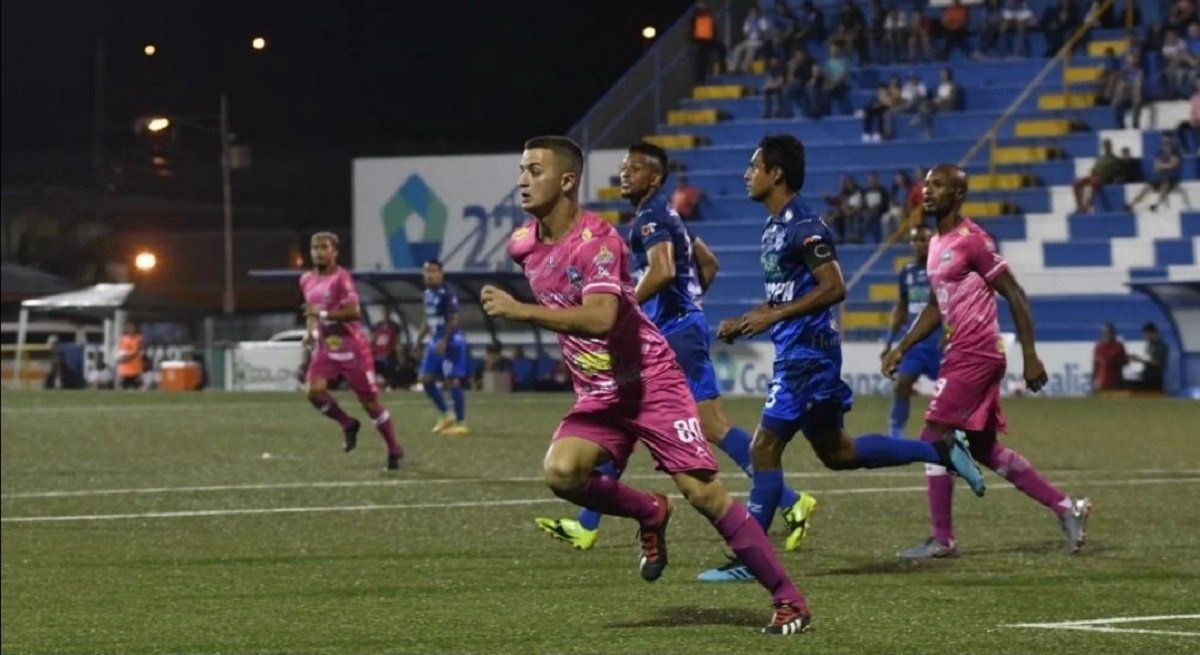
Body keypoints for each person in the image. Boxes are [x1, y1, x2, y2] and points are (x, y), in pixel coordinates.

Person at [482, 135, 812, 635]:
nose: (522, 180)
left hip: (650, 381)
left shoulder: (600, 242)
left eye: (534, 170)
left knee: (704, 494)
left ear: (567, 181)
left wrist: (520, 311)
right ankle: (650, 512)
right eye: (521, 170)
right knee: (562, 473)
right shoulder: (522, 243)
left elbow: (600, 318)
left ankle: (790, 600)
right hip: (600, 393)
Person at [705, 136, 987, 580]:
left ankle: (751, 559)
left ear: (776, 174)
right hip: (798, 350)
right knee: (838, 452)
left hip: (807, 356)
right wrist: (747, 321)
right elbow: (786, 295)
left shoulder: (805, 226)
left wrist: (773, 316)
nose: (747, 174)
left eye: (754, 166)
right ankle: (940, 449)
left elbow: (835, 287)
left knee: (763, 448)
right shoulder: (774, 227)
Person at [536, 142, 817, 558]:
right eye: (624, 167)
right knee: (636, 418)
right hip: (677, 329)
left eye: (635, 168)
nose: (625, 173)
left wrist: (625, 304)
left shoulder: (652, 217)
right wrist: (690, 303)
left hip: (673, 335)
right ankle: (587, 523)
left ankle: (790, 500)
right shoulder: (665, 214)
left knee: (701, 425)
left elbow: (664, 268)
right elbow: (708, 262)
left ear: (655, 178)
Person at [883, 165, 1092, 559]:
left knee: (933, 436)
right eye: (927, 185)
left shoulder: (974, 241)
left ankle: (943, 539)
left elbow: (1015, 293)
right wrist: (903, 346)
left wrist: (1030, 355)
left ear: (958, 195)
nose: (928, 191)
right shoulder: (935, 243)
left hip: (976, 351)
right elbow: (936, 306)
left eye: (938, 185)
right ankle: (1068, 507)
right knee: (982, 448)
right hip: (961, 350)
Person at [301, 232, 404, 471]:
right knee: (314, 392)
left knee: (369, 403)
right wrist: (311, 332)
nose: (318, 252)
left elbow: (354, 312)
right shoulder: (306, 279)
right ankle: (348, 424)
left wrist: (321, 314)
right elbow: (311, 310)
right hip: (327, 347)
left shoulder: (342, 278)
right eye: (315, 247)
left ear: (335, 252)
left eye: (324, 247)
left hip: (352, 348)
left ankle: (394, 449)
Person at [882, 225, 941, 439]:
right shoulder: (907, 272)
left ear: (933, 242)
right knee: (902, 384)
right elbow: (902, 307)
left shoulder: (942, 270)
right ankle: (896, 434)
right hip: (914, 344)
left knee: (951, 393)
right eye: (914, 240)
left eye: (923, 240)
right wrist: (889, 342)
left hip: (939, 342)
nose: (918, 245)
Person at [416, 259, 469, 436]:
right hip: (435, 340)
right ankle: (447, 415)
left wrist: (445, 341)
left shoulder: (447, 293)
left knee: (452, 381)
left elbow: (454, 319)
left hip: (451, 341)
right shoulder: (427, 294)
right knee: (426, 379)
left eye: (434, 271)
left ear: (441, 273)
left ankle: (461, 423)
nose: (430, 275)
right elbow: (427, 319)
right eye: (427, 271)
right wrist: (418, 341)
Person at [1127, 134, 1183, 211]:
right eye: (1164, 138)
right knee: (1147, 186)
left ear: (1171, 139)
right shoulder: (1160, 151)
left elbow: (1174, 164)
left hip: (1171, 175)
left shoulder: (1175, 151)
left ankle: (1156, 204)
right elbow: (1157, 165)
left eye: (1167, 138)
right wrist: (1165, 165)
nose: (1166, 140)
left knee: (1165, 184)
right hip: (1161, 174)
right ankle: (1132, 204)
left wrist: (1163, 165)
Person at [1072, 138, 1120, 213]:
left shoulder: (1114, 159)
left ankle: (1087, 206)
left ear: (1111, 146)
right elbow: (1094, 168)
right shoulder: (1101, 158)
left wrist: (1112, 179)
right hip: (1094, 175)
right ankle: (1080, 206)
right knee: (1077, 183)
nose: (1106, 147)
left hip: (1103, 177)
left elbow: (1116, 172)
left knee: (1095, 182)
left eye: (1108, 145)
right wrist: (1092, 173)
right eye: (1105, 145)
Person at [1128, 322, 1168, 391]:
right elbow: (1149, 359)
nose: (1145, 337)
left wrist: (1139, 359)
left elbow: (1157, 362)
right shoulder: (1150, 345)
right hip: (1147, 375)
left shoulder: (1160, 346)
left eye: (1146, 334)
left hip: (1155, 378)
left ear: (1152, 333)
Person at [691, 1, 725, 80]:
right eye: (701, 4)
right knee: (701, 59)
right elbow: (693, 29)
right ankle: (700, 78)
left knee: (722, 49)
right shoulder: (696, 15)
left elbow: (713, 26)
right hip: (701, 41)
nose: (703, 5)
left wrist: (714, 35)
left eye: (704, 4)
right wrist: (694, 39)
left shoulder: (709, 14)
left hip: (710, 40)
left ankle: (721, 70)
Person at [369, 310, 402, 390]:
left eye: (387, 313)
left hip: (388, 354)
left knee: (389, 371)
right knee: (373, 368)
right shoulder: (377, 325)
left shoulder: (394, 326)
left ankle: (386, 384)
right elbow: (372, 339)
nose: (385, 315)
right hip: (377, 354)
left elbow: (397, 341)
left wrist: (399, 352)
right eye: (384, 313)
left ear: (389, 314)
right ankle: (376, 385)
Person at [1092, 323, 1128, 392]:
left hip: (1115, 381)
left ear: (1113, 333)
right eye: (1104, 333)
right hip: (1101, 381)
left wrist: (1113, 362)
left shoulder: (1118, 346)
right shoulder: (1099, 347)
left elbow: (1125, 361)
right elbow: (1096, 365)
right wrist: (1094, 380)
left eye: (1109, 332)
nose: (1107, 335)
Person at [116, 322, 144, 390]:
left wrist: (125, 359)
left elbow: (136, 351)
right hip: (124, 369)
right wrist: (119, 358)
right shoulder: (123, 339)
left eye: (132, 328)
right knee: (124, 388)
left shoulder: (139, 338)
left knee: (136, 388)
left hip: (135, 368)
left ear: (135, 329)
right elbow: (121, 351)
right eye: (128, 328)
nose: (130, 329)